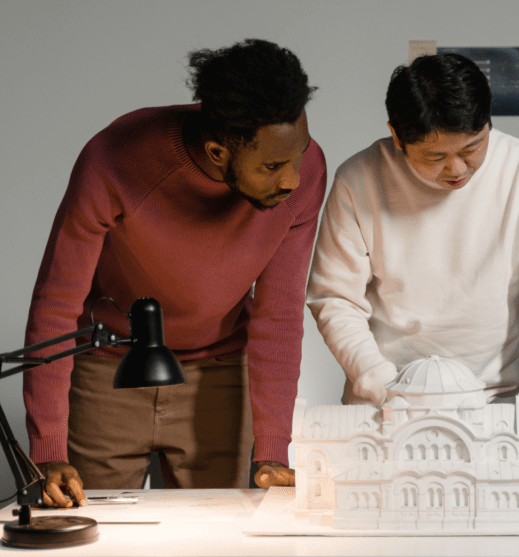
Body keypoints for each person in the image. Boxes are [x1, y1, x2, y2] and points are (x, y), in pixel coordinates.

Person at [23, 39, 326, 507]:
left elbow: (279, 314)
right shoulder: (114, 160)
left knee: (218, 542)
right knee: (91, 536)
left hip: (219, 374)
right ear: (218, 152)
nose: (292, 180)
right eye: (271, 166)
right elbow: (58, 302)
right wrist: (47, 449)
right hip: (111, 369)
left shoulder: (301, 181)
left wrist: (272, 451)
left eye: (298, 155)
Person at [306, 53, 519, 410]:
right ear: (397, 136)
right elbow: (336, 298)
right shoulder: (358, 180)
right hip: (383, 403)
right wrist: (380, 384)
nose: (457, 168)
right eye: (435, 157)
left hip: (492, 400)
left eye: (472, 148)